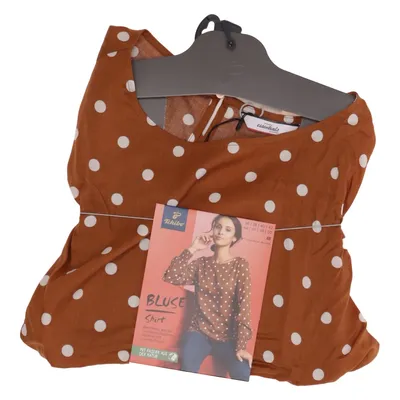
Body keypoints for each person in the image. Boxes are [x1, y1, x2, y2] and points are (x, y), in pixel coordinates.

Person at [162, 214, 253, 381]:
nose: (220, 232)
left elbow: (244, 306)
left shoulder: (240, 265)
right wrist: (193, 248)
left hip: (229, 337)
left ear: (234, 238)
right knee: (187, 368)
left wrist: (241, 346)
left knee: (243, 374)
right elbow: (171, 276)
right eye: (217, 227)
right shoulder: (201, 264)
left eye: (227, 230)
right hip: (199, 331)